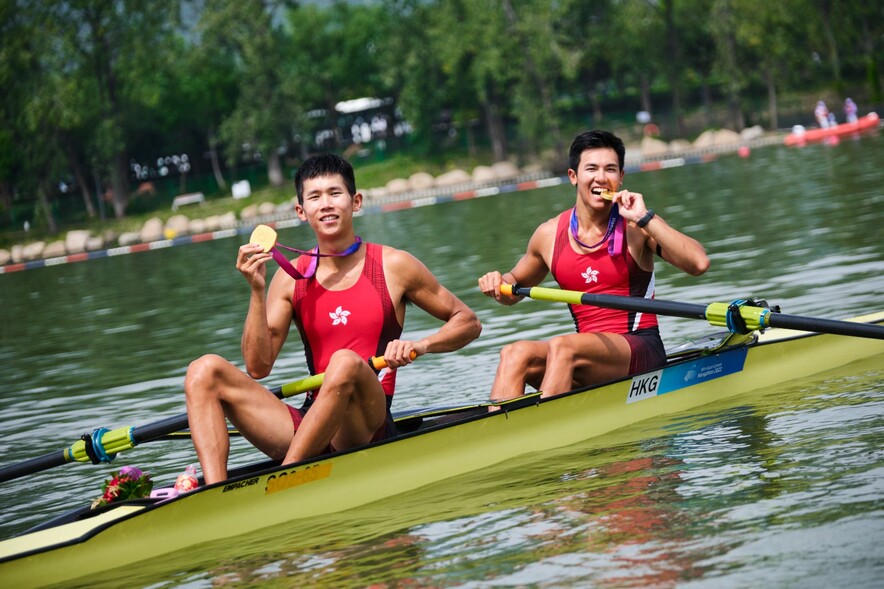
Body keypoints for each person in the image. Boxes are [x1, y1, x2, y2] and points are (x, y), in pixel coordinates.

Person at [185, 153, 482, 484]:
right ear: (301, 212)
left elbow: (467, 322)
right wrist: (256, 290)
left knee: (344, 362)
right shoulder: (288, 278)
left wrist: (421, 345)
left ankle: (284, 482)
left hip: (366, 423)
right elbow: (258, 367)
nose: (325, 204)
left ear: (355, 202)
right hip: (312, 420)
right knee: (203, 370)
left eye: (335, 193)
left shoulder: (394, 266)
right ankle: (214, 492)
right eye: (314, 197)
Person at [478, 130, 709, 402]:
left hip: (641, 348)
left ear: (621, 178)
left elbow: (699, 263)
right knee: (514, 353)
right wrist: (497, 282)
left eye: (610, 169)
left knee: (563, 346)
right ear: (573, 176)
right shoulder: (549, 235)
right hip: (584, 357)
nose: (601, 177)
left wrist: (645, 217)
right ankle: (498, 430)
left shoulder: (636, 227)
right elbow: (513, 287)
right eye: (591, 168)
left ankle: (549, 429)